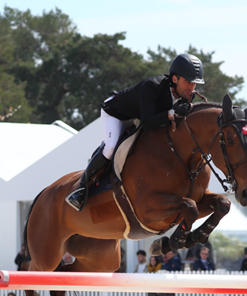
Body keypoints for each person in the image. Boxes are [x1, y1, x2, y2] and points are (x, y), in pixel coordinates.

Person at [65, 53, 206, 211]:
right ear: (175, 79)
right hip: (117, 114)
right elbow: (147, 123)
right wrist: (172, 113)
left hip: (140, 117)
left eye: (194, 84)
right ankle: (81, 188)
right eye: (188, 82)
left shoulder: (186, 95)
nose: (192, 88)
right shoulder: (152, 86)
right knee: (111, 147)